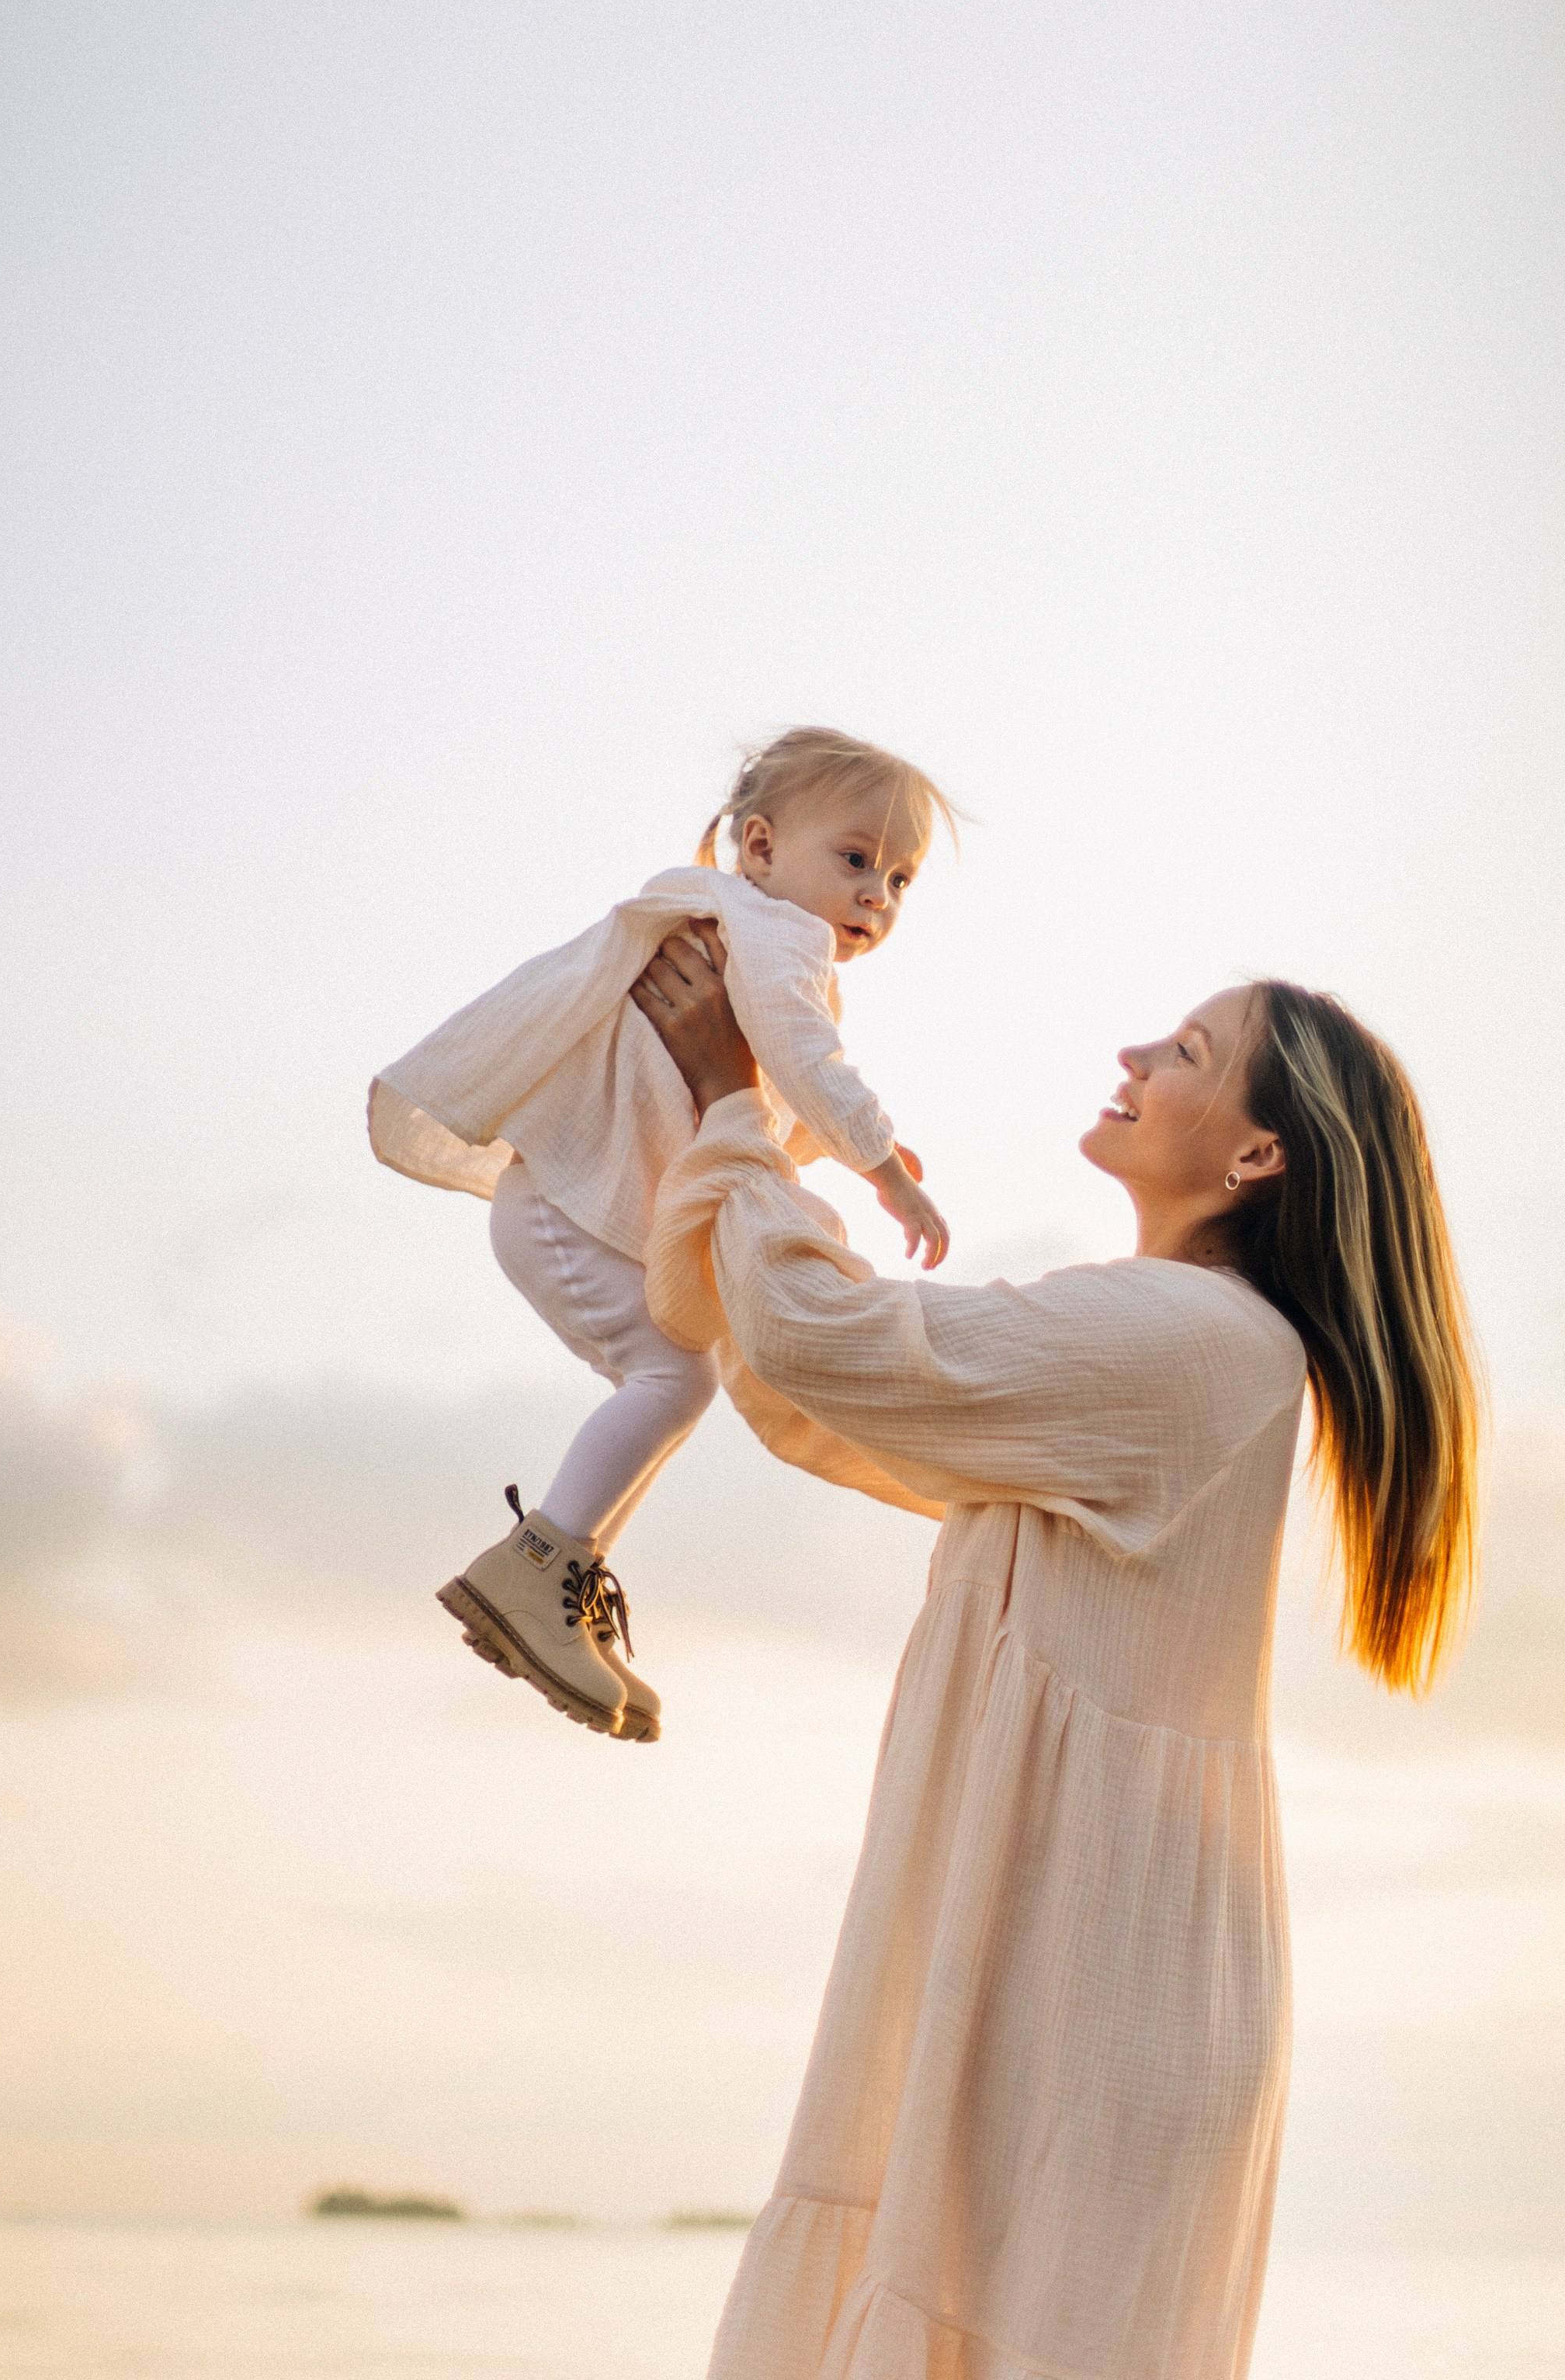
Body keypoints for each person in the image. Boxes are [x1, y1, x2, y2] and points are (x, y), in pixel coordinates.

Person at [629, 928, 1480, 2380]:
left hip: (1097, 1990)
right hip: (1085, 1970)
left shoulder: (1192, 1338)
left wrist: (735, 1104)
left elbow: (834, 1348)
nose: (1136, 1060)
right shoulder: (1160, 1349)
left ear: (1260, 1157)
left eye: (1186, 1054)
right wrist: (742, 1128)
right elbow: (823, 1393)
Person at [369, 727, 955, 1743]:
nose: (877, 897)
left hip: (579, 1211)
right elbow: (797, 1052)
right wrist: (883, 1171)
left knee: (676, 1382)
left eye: (900, 879)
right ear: (760, 848)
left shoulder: (745, 933)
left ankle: (558, 1574)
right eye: (855, 860)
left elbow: (773, 1088)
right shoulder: (771, 935)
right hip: (562, 1208)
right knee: (673, 1382)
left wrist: (861, 1146)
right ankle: (537, 1571)